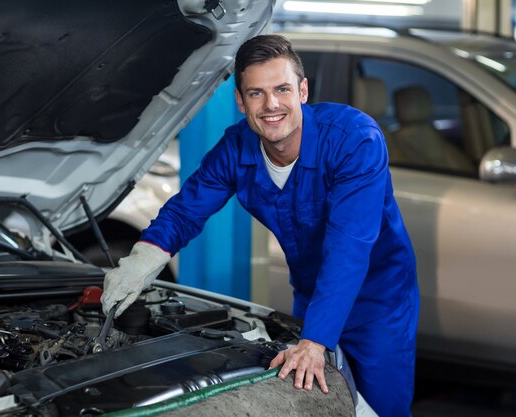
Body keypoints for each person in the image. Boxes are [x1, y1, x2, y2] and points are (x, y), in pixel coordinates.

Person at [101, 34, 419, 417]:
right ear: (240, 101)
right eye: (256, 93)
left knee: (382, 407)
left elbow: (349, 247)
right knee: (320, 401)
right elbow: (186, 211)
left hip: (378, 299)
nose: (271, 105)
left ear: (302, 90)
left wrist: (315, 340)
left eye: (282, 89)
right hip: (311, 291)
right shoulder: (236, 148)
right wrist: (142, 261)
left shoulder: (354, 141)